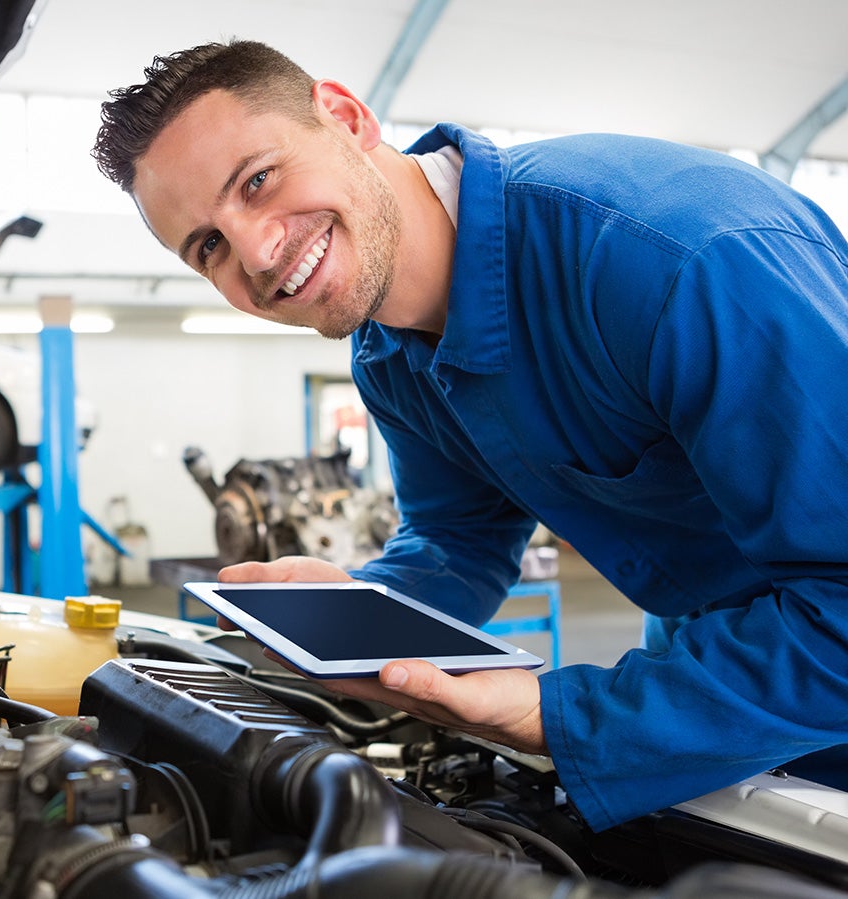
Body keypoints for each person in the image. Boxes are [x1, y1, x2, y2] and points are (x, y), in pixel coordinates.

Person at [92, 39, 848, 832]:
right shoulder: (384, 353)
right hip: (730, 695)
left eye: (257, 180)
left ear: (347, 118)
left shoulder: (671, 258)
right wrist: (355, 616)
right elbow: (459, 536)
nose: (254, 251)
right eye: (207, 245)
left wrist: (559, 715)